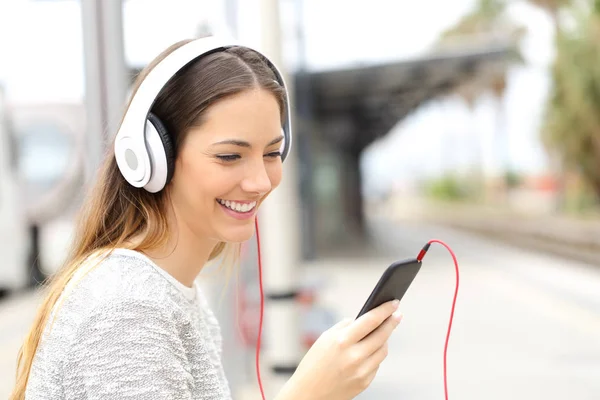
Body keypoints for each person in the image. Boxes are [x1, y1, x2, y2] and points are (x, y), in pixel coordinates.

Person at [11, 36, 403, 400]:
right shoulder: (126, 309)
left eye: (271, 153)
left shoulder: (170, 294)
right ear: (151, 156)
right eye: (230, 156)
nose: (260, 181)